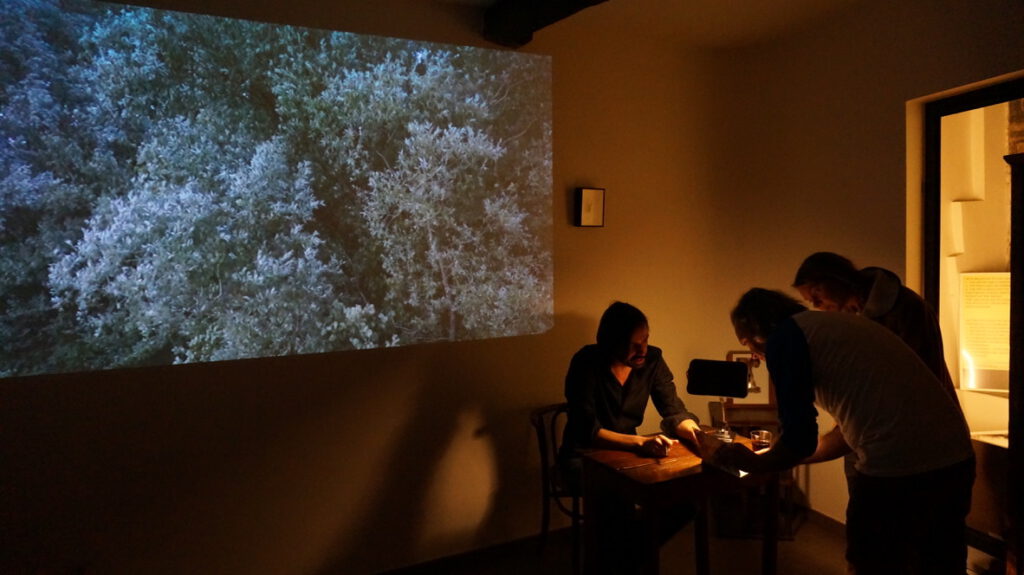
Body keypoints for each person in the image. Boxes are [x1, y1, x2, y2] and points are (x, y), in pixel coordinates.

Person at [707, 288, 974, 575]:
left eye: (749, 345)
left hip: (899, 470)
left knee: (869, 563)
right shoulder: (835, 326)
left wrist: (757, 463)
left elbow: (799, 439)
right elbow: (850, 433)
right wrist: (776, 455)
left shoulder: (785, 338)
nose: (756, 357)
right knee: (939, 563)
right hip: (954, 459)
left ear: (757, 333)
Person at [558, 301, 701, 574]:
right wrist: (640, 443)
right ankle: (627, 560)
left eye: (645, 339)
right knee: (616, 502)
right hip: (583, 457)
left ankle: (625, 560)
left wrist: (689, 429)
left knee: (685, 500)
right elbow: (585, 429)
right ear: (610, 341)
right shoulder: (586, 362)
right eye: (633, 343)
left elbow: (673, 409)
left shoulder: (653, 360)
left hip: (628, 457)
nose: (642, 350)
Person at [792, 251, 961, 471]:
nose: (815, 304)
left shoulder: (904, 309)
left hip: (912, 443)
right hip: (866, 438)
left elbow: (912, 382)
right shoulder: (848, 317)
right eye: (809, 299)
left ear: (837, 278)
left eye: (817, 292)